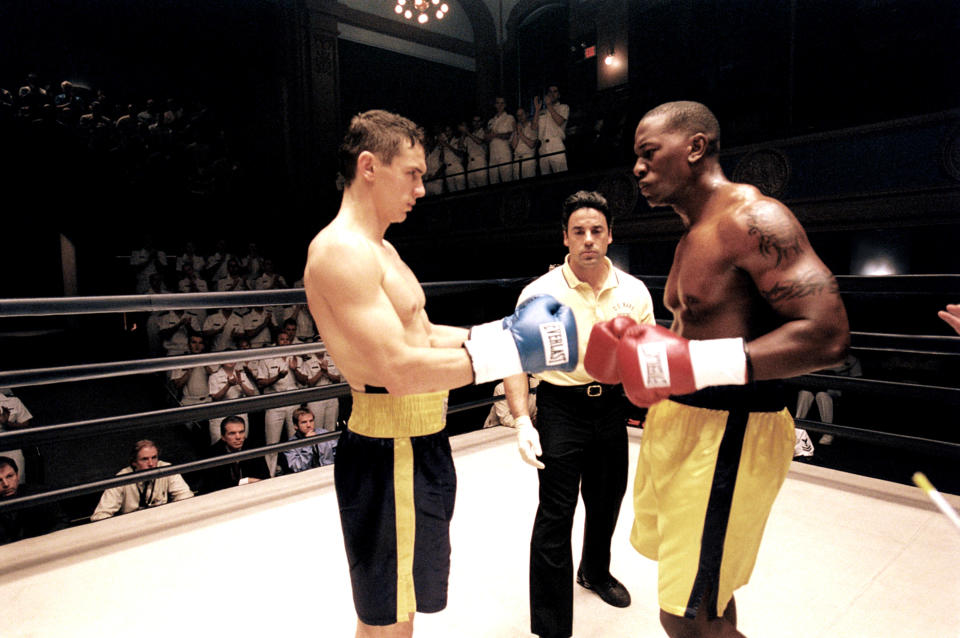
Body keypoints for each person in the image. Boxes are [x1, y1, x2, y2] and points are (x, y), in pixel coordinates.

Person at [303, 109, 577, 637]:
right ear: (368, 167)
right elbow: (399, 369)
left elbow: (423, 336)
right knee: (388, 615)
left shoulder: (381, 249)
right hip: (391, 448)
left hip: (419, 442)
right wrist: (513, 352)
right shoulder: (341, 251)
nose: (422, 189)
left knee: (397, 605)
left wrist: (506, 333)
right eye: (412, 173)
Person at [585, 101, 849, 638]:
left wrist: (693, 363)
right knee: (708, 594)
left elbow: (827, 334)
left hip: (731, 432)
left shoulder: (753, 219)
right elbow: (696, 343)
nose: (637, 168)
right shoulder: (693, 232)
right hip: (684, 427)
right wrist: (653, 359)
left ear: (697, 147)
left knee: (685, 618)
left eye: (649, 153)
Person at [503, 190, 656, 638]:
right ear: (565, 238)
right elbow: (514, 358)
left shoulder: (634, 291)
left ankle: (594, 571)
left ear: (609, 236)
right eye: (578, 232)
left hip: (610, 405)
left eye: (596, 231)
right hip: (561, 406)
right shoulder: (539, 292)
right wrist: (521, 419)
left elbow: (645, 355)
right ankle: (551, 627)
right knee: (556, 512)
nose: (588, 239)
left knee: (607, 499)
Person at [90, 440, 193, 521]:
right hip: (133, 526)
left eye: (154, 457)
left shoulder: (166, 469)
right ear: (134, 462)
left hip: (162, 521)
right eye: (145, 459)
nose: (151, 463)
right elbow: (100, 515)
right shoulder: (122, 477)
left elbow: (185, 496)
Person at [254, 331, 302, 476]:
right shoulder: (267, 358)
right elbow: (261, 383)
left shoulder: (295, 357)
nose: (285, 342)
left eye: (287, 340)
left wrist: (295, 369)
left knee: (295, 439)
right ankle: (271, 474)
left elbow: (304, 381)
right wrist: (277, 377)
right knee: (272, 443)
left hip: (292, 401)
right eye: (282, 339)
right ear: (276, 341)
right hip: (275, 403)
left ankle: (298, 470)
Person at [0, 456, 68, 545]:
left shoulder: (37, 494)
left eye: (9, 476)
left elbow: (62, 522)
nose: (6, 484)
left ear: (17, 476)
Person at [202, 416, 270, 493]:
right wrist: (243, 482)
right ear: (223, 437)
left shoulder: (253, 447)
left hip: (252, 492)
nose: (238, 437)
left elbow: (265, 477)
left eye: (241, 432)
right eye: (232, 433)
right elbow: (213, 486)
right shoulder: (213, 453)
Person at [281, 407, 336, 473]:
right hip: (307, 477)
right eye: (304, 422)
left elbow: (339, 453)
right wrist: (307, 445)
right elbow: (297, 468)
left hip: (329, 472)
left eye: (311, 421)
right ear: (296, 426)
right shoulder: (290, 445)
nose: (309, 425)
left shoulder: (323, 433)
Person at [534, 85, 570, 175]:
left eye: (555, 91)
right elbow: (534, 127)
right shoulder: (543, 111)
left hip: (556, 145)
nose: (552, 94)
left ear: (559, 95)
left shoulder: (563, 107)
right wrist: (537, 110)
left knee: (560, 176)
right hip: (543, 147)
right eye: (550, 92)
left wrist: (549, 105)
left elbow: (560, 121)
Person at [0, 390, 33, 484]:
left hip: (11, 449)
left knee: (15, 483)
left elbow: (25, 424)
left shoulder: (13, 401)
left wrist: (7, 423)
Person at [486, 96, 515, 184]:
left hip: (504, 152)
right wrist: (488, 136)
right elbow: (487, 138)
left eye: (502, 103)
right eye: (498, 103)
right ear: (495, 105)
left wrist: (495, 135)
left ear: (505, 105)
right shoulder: (491, 121)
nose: (500, 105)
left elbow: (509, 135)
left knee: (507, 180)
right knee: (493, 181)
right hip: (493, 154)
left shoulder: (510, 118)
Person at [512, 107, 537, 180]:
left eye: (522, 114)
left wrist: (520, 133)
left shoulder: (532, 126)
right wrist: (516, 131)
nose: (520, 117)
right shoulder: (517, 127)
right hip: (517, 159)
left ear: (527, 114)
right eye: (518, 115)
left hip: (528, 159)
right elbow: (513, 146)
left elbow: (532, 144)